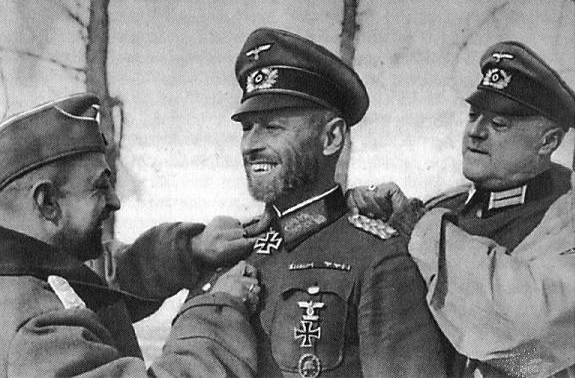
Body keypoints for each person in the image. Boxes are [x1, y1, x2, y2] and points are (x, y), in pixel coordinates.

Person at [347, 41, 575, 377]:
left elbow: (531, 334)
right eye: (473, 116)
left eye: (499, 124)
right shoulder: (443, 208)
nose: (475, 132)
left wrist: (415, 227)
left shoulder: (566, 217)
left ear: (549, 141)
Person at [229, 27, 446, 377]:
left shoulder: (377, 258)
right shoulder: (235, 249)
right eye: (246, 128)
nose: (251, 144)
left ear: (331, 138)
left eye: (271, 127)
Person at [0, 94, 263, 377]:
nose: (115, 202)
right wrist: (219, 311)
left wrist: (191, 248)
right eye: (100, 186)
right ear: (48, 202)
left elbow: (103, 278)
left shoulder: (24, 273)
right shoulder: (34, 326)